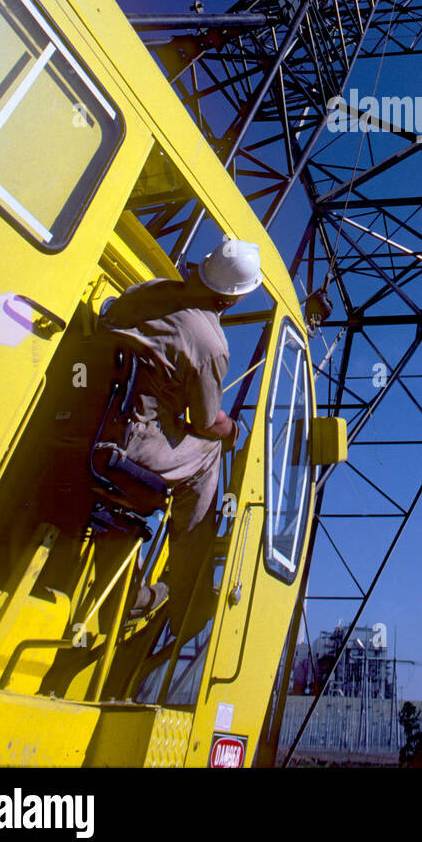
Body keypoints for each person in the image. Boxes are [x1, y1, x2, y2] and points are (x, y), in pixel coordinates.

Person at [97, 235, 263, 636]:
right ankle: (190, 597)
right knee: (206, 454)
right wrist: (233, 429)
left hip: (88, 413)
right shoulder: (210, 343)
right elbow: (207, 423)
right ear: (233, 299)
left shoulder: (150, 289)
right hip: (130, 437)